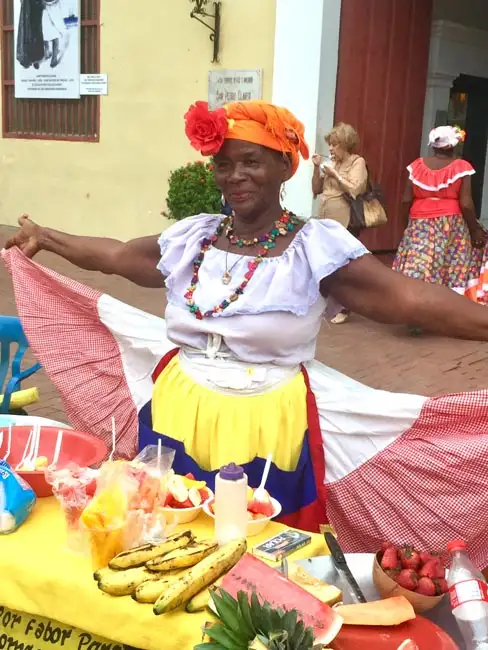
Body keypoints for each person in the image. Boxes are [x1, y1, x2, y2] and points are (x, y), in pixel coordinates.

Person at [6, 100, 488, 569]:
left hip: (266, 421)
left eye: (251, 162)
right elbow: (118, 257)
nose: (235, 176)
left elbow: (408, 300)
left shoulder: (312, 249)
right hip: (177, 407)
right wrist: (48, 238)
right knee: (168, 532)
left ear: (285, 165)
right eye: (224, 164)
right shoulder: (194, 238)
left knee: (256, 548)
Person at [393, 125, 486, 297]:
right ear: (453, 145)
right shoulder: (462, 167)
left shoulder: (416, 166)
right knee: (449, 266)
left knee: (420, 266)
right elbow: (466, 204)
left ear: (433, 145)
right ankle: (445, 308)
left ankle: (415, 306)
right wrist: (475, 230)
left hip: (419, 222)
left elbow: (406, 200)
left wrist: (406, 226)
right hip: (450, 226)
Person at [312, 123, 368, 324]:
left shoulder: (357, 162)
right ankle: (327, 303)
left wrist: (335, 175)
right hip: (325, 217)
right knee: (326, 261)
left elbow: (355, 188)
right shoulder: (332, 163)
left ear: (346, 144)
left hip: (345, 220)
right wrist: (317, 168)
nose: (331, 149)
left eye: (335, 145)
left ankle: (344, 307)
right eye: (330, 145)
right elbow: (317, 189)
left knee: (343, 263)